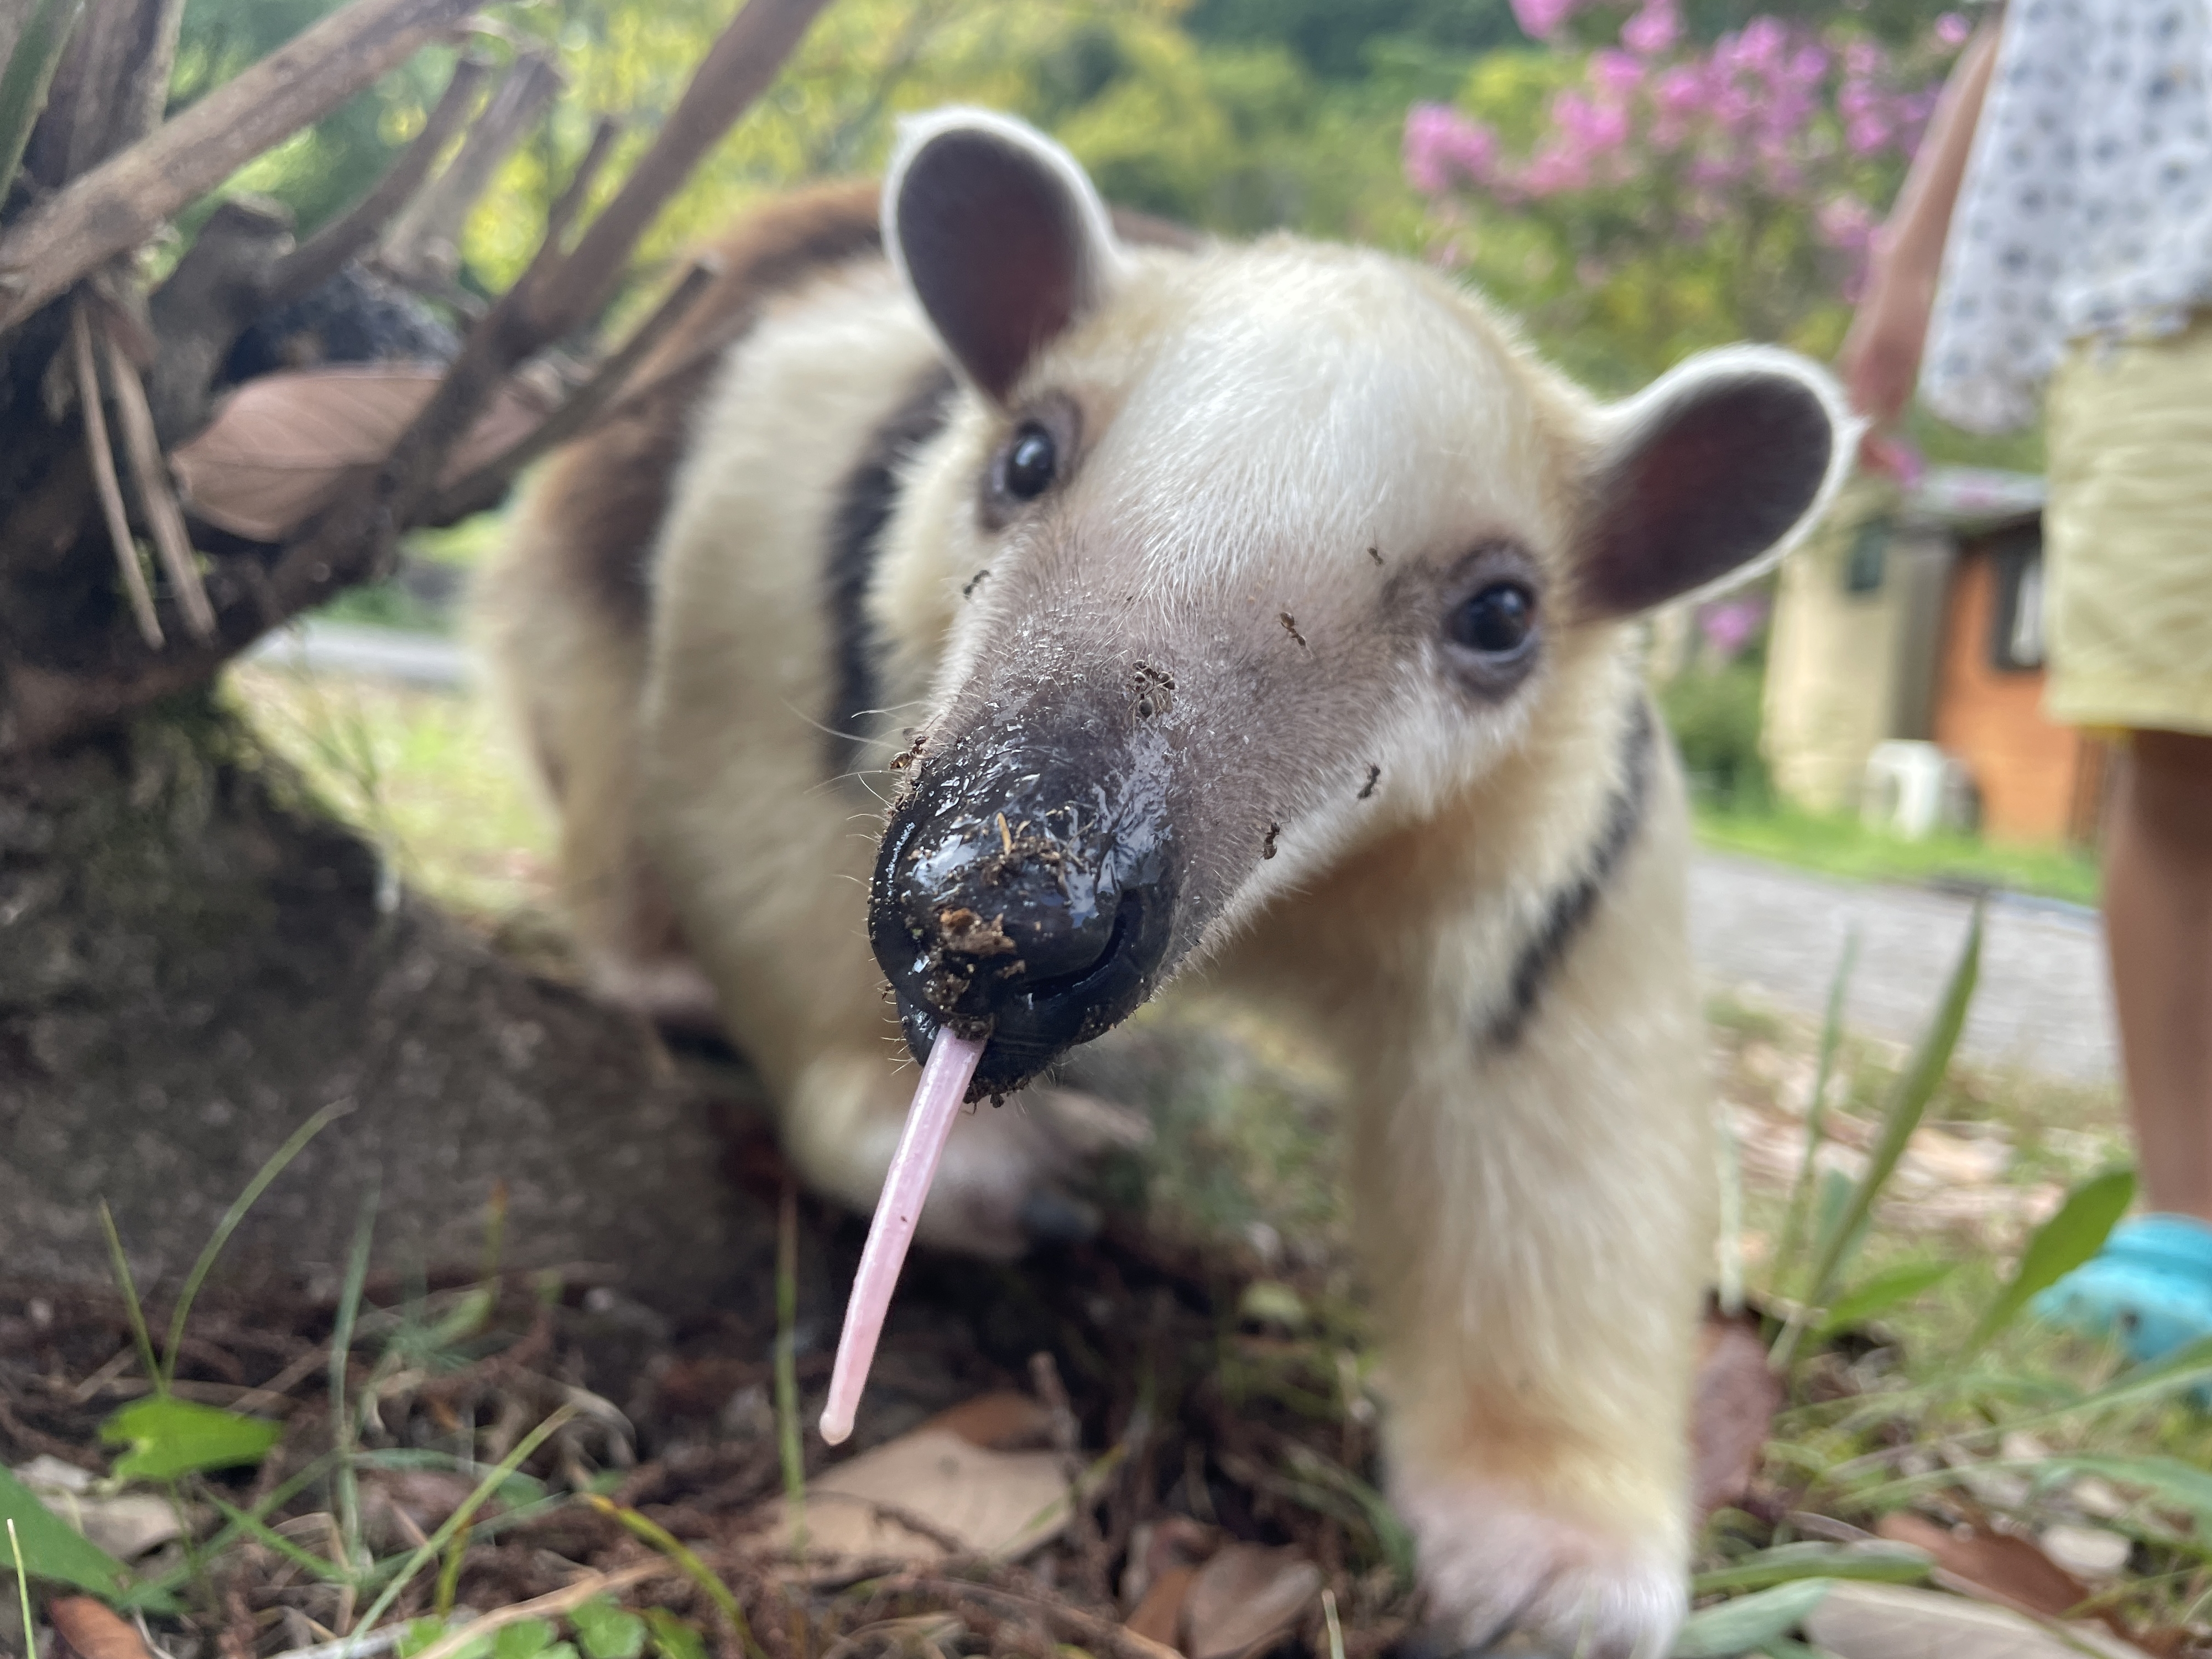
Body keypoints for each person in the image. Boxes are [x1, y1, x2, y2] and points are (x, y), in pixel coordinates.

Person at [1840, 0, 2212, 1366]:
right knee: (2176, 752)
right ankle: (2186, 1228)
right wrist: (1905, 278)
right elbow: (2020, 33)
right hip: (2160, 296)